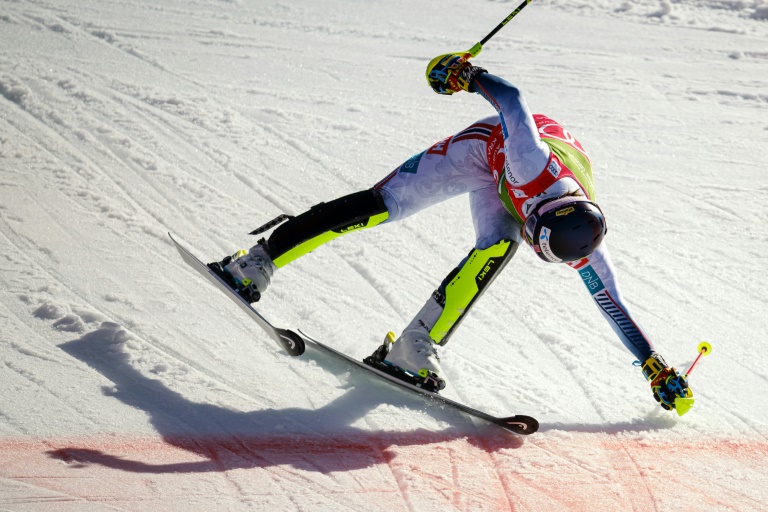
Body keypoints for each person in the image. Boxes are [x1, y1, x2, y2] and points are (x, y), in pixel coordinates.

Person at [209, 53, 695, 415]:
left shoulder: (583, 239)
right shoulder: (530, 165)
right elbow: (513, 100)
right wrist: (468, 75)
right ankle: (255, 261)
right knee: (383, 207)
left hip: (510, 185)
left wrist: (655, 366)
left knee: (496, 250)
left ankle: (414, 346)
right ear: (537, 220)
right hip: (488, 150)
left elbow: (612, 304)